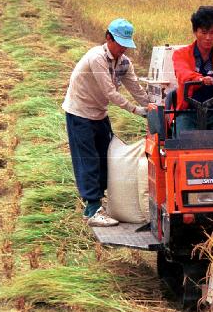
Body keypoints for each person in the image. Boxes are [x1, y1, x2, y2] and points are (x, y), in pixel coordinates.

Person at [62, 18, 149, 227]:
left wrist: (154, 107)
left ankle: (97, 205)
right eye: (119, 44)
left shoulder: (124, 62)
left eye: (126, 45)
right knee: (88, 159)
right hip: (79, 113)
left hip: (99, 113)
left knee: (105, 158)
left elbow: (135, 88)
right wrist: (137, 110)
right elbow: (109, 92)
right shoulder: (97, 58)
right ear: (108, 38)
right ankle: (93, 209)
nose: (122, 49)